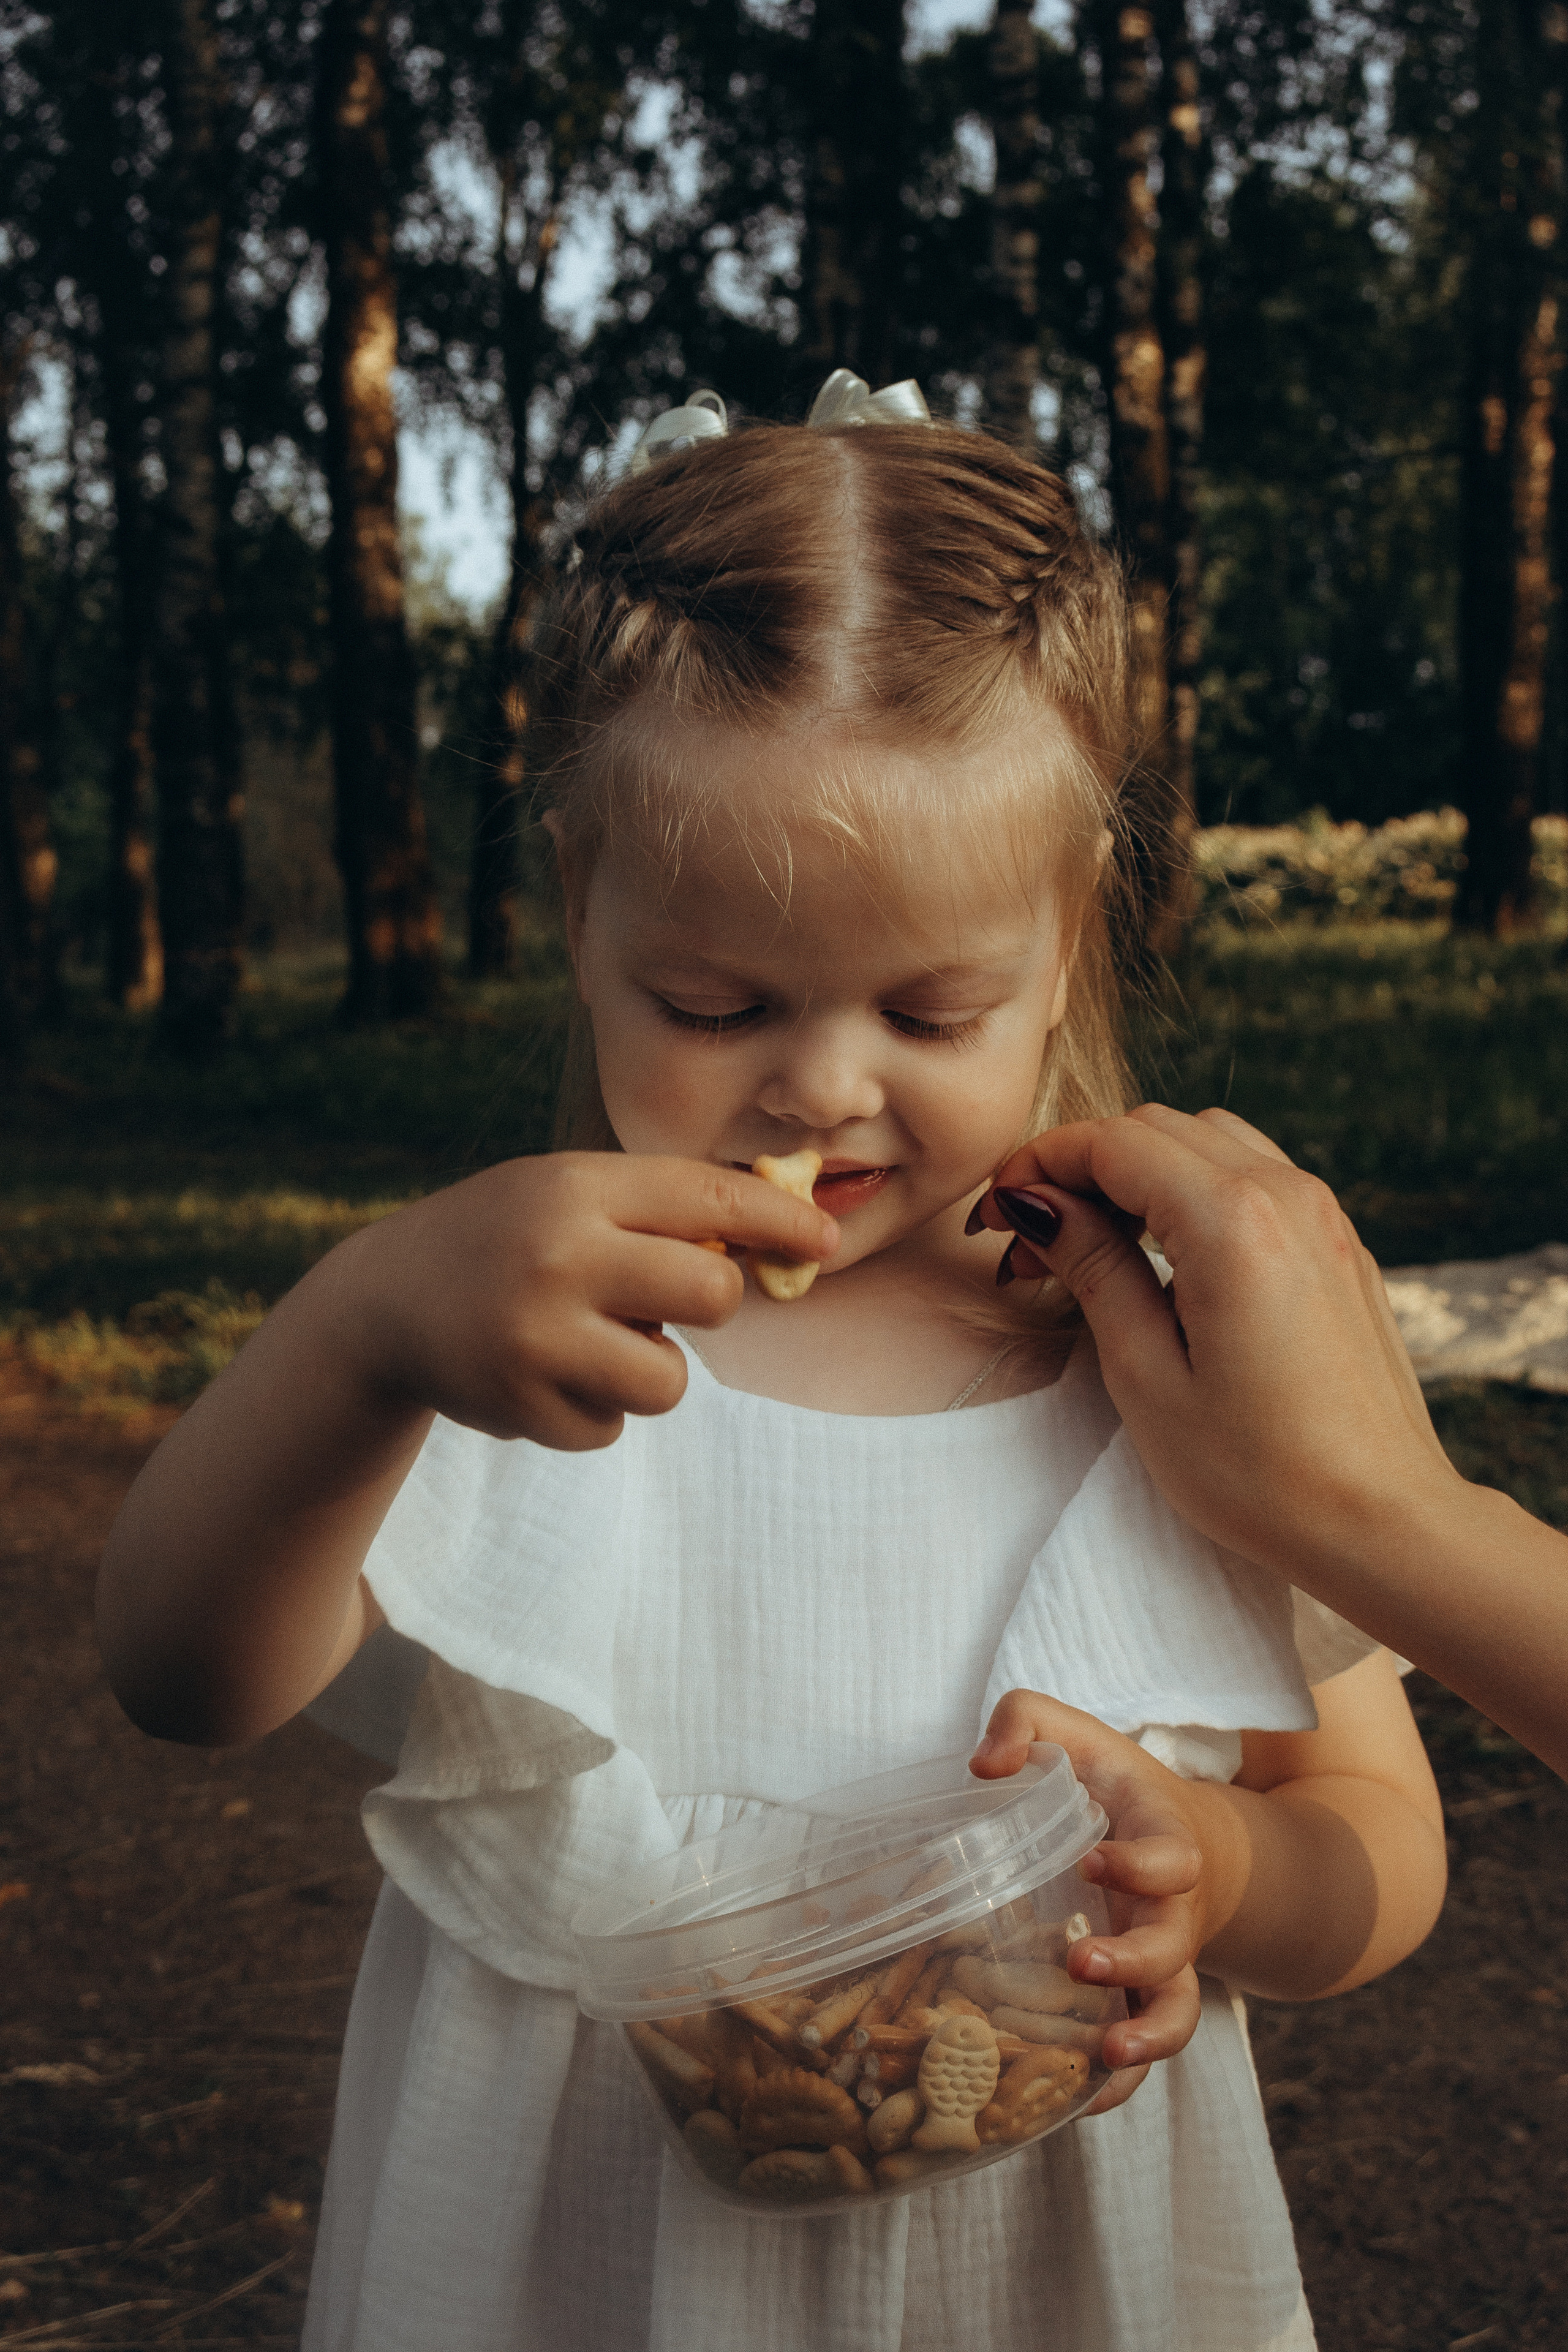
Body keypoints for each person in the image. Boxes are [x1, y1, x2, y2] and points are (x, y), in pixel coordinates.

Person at [99, 379, 1449, 2352]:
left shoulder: (1177, 1359)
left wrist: (1232, 1870)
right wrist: (357, 1334)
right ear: (583, 921)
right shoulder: (512, 1329)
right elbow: (176, 1672)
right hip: (563, 2267)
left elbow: (1380, 1839)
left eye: (931, 1003)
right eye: (714, 999)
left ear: (1065, 946)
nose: (820, 1081)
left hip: (1054, 2268)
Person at [968, 1102, 1568, 1782]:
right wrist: (1404, 1507)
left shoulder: (1149, 1363)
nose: (831, 1089)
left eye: (923, 1022)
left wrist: (1217, 1852)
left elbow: (1368, 1804)